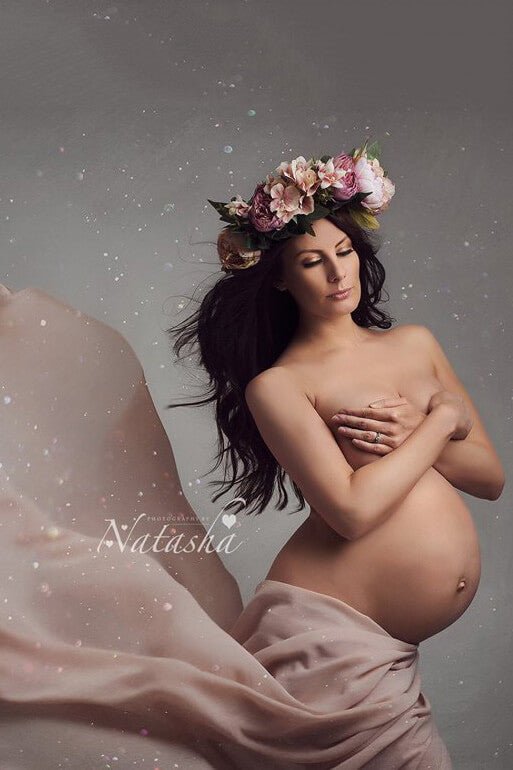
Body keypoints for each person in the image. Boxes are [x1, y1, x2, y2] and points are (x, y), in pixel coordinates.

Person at [0, 141, 505, 769]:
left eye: (344, 252)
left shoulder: (414, 344)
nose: (337, 274)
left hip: (383, 655)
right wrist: (442, 422)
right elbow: (352, 511)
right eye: (312, 262)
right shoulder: (281, 386)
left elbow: (489, 479)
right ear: (280, 278)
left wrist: (427, 433)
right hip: (329, 644)